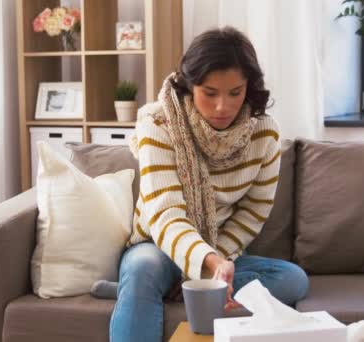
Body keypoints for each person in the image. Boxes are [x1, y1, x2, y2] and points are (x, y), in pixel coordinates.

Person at [92, 26, 309, 342]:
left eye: (235, 92)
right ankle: (142, 285)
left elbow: (252, 213)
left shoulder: (265, 133)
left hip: (220, 250)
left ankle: (149, 292)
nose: (223, 106)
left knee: (293, 279)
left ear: (249, 88)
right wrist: (207, 264)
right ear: (190, 86)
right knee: (143, 270)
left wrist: (218, 266)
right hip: (156, 245)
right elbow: (166, 216)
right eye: (210, 93)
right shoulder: (159, 124)